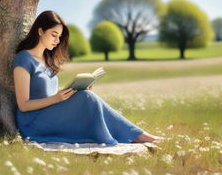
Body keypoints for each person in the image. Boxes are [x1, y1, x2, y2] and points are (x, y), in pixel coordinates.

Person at [12, 10, 163, 145]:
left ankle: (137, 135)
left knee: (85, 94)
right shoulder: (24, 59)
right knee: (86, 98)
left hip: (50, 113)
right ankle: (138, 136)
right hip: (33, 122)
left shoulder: (46, 59)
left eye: (59, 36)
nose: (57, 41)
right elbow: (23, 105)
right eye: (54, 35)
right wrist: (56, 99)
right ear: (40, 31)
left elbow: (48, 95)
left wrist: (71, 91)